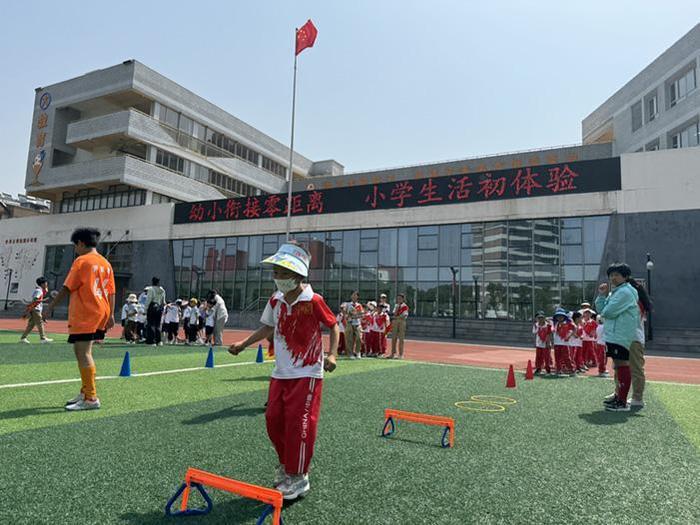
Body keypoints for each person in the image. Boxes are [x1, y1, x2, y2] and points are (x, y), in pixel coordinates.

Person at [228, 243, 339, 500]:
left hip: (307, 373)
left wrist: (332, 354)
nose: (275, 277)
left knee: (300, 425)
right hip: (281, 373)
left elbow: (333, 326)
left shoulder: (314, 300)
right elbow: (267, 328)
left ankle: (299, 476)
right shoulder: (275, 300)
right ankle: (286, 466)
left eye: (280, 272)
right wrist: (243, 345)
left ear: (296, 275)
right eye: (275, 272)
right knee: (273, 421)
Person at [45, 228, 115, 411]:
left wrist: (50, 307)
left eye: (75, 245)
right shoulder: (105, 263)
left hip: (86, 312)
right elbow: (111, 292)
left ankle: (91, 398)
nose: (75, 249)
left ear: (81, 243)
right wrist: (112, 314)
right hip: (100, 311)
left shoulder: (82, 261)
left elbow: (67, 287)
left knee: (83, 353)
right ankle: (85, 392)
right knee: (83, 352)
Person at [595, 262, 640, 412]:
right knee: (618, 365)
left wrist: (603, 313)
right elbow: (602, 310)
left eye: (616, 275)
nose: (613, 278)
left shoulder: (625, 292)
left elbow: (608, 312)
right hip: (615, 333)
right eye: (611, 275)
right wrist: (601, 296)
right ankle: (619, 397)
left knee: (622, 364)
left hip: (620, 334)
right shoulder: (617, 292)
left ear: (625, 277)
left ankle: (621, 401)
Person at [627, 277, 652, 408]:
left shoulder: (636, 303)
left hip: (634, 339)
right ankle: (620, 392)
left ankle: (637, 397)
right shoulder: (634, 302)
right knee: (620, 367)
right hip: (627, 338)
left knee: (636, 369)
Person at [20, 276, 53, 344]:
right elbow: (35, 300)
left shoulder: (40, 290)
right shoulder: (38, 291)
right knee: (40, 323)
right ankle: (43, 338)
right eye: (46, 283)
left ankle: (23, 338)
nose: (47, 284)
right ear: (42, 284)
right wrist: (45, 299)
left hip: (35, 309)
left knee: (31, 325)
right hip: (35, 309)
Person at [552, 308, 575, 376]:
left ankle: (571, 370)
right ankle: (558, 370)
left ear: (564, 317)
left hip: (564, 343)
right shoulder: (555, 324)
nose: (559, 317)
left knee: (566, 357)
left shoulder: (568, 323)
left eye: (561, 316)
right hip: (557, 343)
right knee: (557, 357)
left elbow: (574, 329)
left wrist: (569, 336)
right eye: (558, 316)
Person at [145, 277, 166, 346]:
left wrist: (146, 309)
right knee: (157, 325)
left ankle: (151, 341)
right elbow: (164, 301)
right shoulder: (162, 290)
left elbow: (148, 300)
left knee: (151, 324)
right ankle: (159, 341)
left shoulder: (151, 289)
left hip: (152, 306)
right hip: (159, 307)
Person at [342, 291, 363, 359]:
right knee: (349, 339)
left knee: (359, 338)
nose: (354, 296)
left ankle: (357, 351)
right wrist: (347, 315)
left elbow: (361, 314)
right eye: (353, 295)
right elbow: (344, 312)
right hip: (350, 323)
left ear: (357, 297)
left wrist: (355, 315)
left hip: (357, 323)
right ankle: (350, 353)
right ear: (351, 296)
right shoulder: (347, 304)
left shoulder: (359, 305)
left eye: (355, 295)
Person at [390, 293, 409, 359]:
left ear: (403, 299)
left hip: (401, 322)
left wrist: (396, 317)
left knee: (401, 339)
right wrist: (397, 308)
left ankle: (401, 354)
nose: (399, 300)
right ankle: (393, 353)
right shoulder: (396, 305)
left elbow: (404, 315)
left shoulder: (405, 306)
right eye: (398, 298)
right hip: (395, 321)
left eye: (400, 298)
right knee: (393, 338)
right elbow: (394, 313)